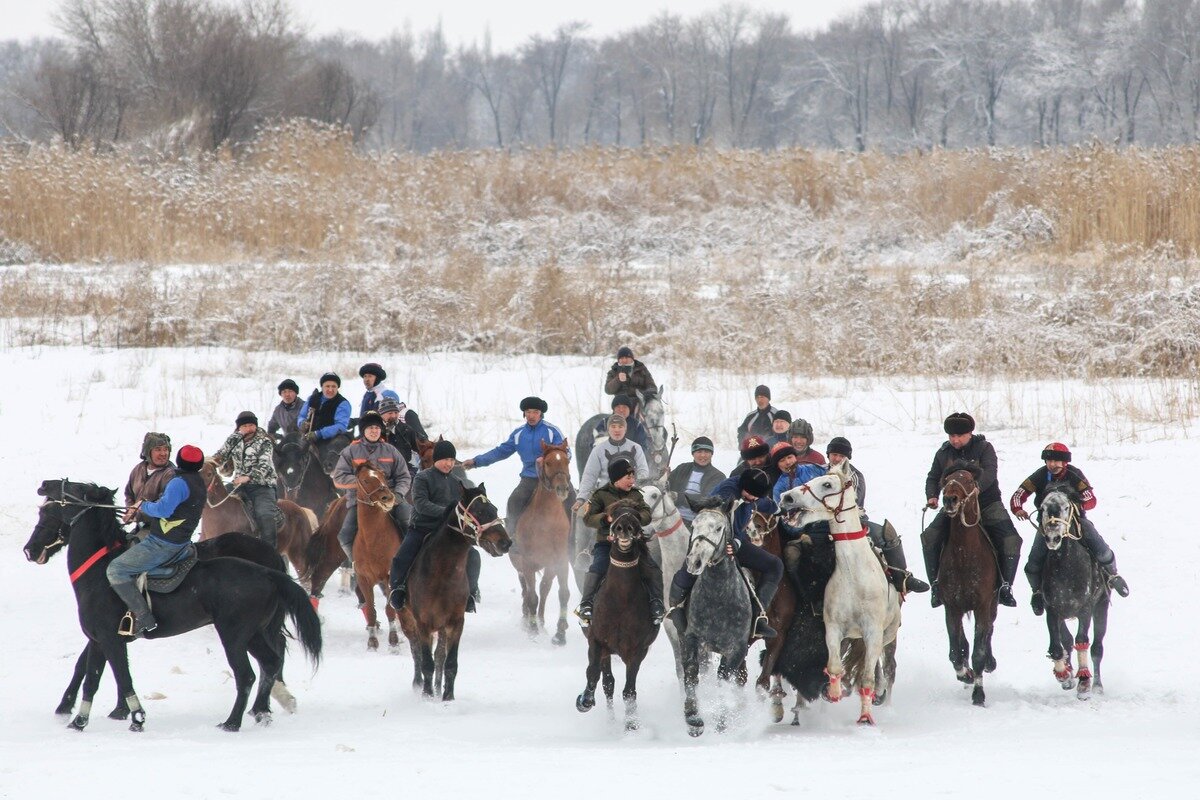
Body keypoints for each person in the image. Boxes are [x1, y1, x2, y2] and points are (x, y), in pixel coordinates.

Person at [1010, 442, 1130, 613]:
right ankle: (1037, 592)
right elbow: (1019, 494)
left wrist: (1077, 503)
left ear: (1065, 462)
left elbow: (1090, 498)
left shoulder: (1075, 474)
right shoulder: (1040, 475)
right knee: (1033, 562)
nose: (1052, 464)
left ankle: (1113, 575)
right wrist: (1018, 508)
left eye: (1056, 461)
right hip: (1047, 526)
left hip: (1075, 522)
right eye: (1049, 461)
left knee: (1099, 547)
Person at [920, 412, 1023, 608]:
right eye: (951, 436)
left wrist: (976, 489)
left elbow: (990, 473)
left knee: (1011, 540)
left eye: (959, 436)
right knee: (929, 536)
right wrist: (932, 495)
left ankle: (1005, 586)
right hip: (955, 505)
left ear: (969, 434)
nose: (954, 440)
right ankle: (936, 585)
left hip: (986, 503)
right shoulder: (943, 453)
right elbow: (933, 477)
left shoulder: (984, 448)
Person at [668, 468, 783, 639]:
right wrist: (735, 542)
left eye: (755, 496)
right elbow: (724, 523)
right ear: (742, 486)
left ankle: (758, 616)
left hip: (735, 541)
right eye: (750, 494)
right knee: (692, 566)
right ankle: (676, 606)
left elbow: (761, 502)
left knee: (775, 565)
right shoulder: (726, 494)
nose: (752, 498)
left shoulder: (751, 494)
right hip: (710, 538)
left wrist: (779, 509)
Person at [107, 444, 207, 637]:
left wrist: (143, 506)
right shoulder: (198, 480)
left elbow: (164, 510)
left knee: (116, 569)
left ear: (179, 460)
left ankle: (143, 618)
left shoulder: (179, 483)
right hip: (181, 542)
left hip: (163, 543)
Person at [822, 436, 929, 594]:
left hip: (852, 521)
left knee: (887, 535)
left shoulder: (854, 476)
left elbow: (853, 504)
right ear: (828, 454)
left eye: (841, 455)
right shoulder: (819, 472)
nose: (837, 458)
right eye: (834, 454)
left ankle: (902, 578)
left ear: (847, 458)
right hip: (822, 522)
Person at [388, 440, 482, 613]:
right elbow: (421, 504)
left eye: (452, 460)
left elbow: (463, 509)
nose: (449, 463)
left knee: (474, 556)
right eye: (445, 459)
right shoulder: (422, 478)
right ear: (436, 459)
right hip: (423, 527)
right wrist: (448, 512)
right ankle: (397, 589)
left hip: (449, 532)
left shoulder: (457, 482)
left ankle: (470, 592)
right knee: (402, 556)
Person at [574, 457, 665, 625]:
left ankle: (656, 602)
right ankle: (586, 603)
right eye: (628, 477)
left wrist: (634, 516)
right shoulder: (600, 495)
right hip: (606, 544)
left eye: (633, 477)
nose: (632, 480)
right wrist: (606, 518)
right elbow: (588, 518)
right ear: (617, 478)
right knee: (598, 567)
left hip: (635, 544)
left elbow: (646, 515)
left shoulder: (636, 495)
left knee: (652, 568)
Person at [462, 396, 573, 531]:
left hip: (555, 477)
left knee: (573, 501)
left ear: (541, 414)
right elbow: (500, 451)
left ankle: (576, 540)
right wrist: (476, 462)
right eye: (528, 412)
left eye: (535, 412)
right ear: (524, 413)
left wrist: (545, 460)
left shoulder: (552, 431)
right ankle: (513, 539)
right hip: (530, 478)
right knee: (514, 501)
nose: (531, 416)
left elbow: (565, 453)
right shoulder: (518, 434)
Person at [332, 411, 413, 563]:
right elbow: (339, 478)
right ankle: (357, 564)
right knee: (345, 535)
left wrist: (399, 494)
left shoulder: (391, 450)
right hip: (360, 502)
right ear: (363, 430)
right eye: (370, 428)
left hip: (389, 498)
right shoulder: (350, 450)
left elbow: (404, 476)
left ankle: (408, 559)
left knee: (407, 520)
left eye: (377, 428)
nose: (374, 431)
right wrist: (365, 483)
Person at [213, 411, 281, 547]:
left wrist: (249, 477)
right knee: (218, 502)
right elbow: (220, 456)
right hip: (238, 485)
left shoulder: (264, 441)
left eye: (251, 425)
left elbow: (264, 464)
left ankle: (269, 550)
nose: (249, 428)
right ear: (239, 428)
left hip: (262, 486)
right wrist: (208, 464)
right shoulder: (234, 440)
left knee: (265, 514)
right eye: (245, 426)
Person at [577, 414, 649, 508]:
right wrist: (581, 498)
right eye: (613, 426)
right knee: (583, 516)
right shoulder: (598, 450)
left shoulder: (636, 448)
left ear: (625, 429)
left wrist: (634, 485)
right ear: (608, 429)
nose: (617, 430)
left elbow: (643, 471)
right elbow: (590, 475)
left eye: (620, 426)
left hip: (631, 497)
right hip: (605, 498)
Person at [296, 372, 353, 473]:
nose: (330, 390)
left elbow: (341, 426)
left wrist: (319, 433)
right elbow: (301, 416)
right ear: (322, 386)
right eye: (327, 386)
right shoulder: (312, 399)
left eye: (333, 386)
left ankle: (333, 480)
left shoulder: (342, 403)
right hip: (308, 436)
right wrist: (302, 423)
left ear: (337, 388)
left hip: (331, 439)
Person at [122, 432, 176, 535]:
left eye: (166, 449)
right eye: (158, 449)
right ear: (148, 452)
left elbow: (163, 504)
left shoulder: (171, 474)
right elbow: (129, 494)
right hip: (141, 527)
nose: (163, 453)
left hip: (161, 530)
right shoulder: (138, 469)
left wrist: (138, 515)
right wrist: (130, 510)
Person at [667, 437, 726, 526]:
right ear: (693, 453)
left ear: (711, 454)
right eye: (699, 452)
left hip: (699, 522)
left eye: (706, 452)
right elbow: (666, 489)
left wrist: (678, 497)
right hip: (672, 517)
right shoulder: (682, 468)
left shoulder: (718, 476)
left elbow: (707, 499)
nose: (703, 455)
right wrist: (664, 478)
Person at [379, 397, 421, 471]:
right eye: (390, 413)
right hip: (381, 472)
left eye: (396, 413)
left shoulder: (407, 430)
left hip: (405, 470)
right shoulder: (375, 431)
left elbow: (420, 448)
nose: (394, 416)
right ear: (381, 414)